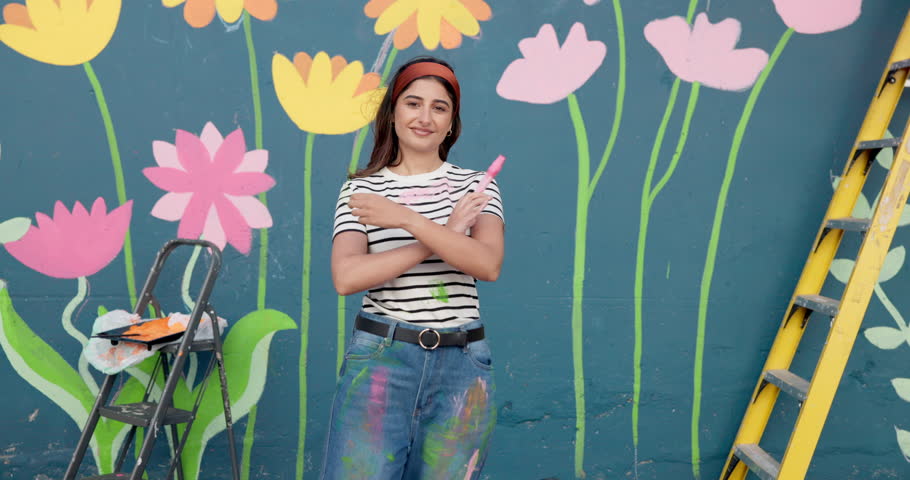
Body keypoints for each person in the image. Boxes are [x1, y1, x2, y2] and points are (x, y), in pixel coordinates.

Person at [321, 56, 505, 480]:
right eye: (413, 103)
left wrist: (408, 220)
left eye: (439, 107)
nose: (424, 117)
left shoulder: (477, 186)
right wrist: (443, 235)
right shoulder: (363, 189)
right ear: (393, 112)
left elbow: (487, 263)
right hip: (381, 360)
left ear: (451, 123)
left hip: (463, 366)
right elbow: (347, 276)